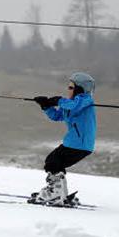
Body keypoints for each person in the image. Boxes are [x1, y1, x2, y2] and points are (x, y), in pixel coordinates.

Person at [30, 72, 96, 206]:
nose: (68, 90)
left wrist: (58, 100)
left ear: (79, 89)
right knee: (53, 162)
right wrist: (46, 106)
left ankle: (56, 193)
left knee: (53, 162)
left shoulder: (85, 100)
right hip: (74, 143)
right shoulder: (72, 104)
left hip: (80, 144)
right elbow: (57, 116)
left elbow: (74, 106)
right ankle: (59, 192)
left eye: (71, 88)